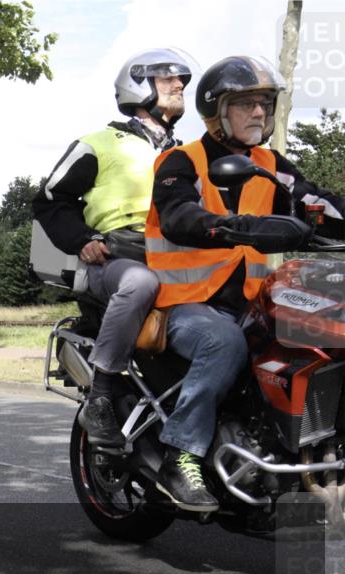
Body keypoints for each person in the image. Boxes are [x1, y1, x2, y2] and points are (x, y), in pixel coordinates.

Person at [146, 55, 345, 511]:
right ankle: (181, 455)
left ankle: (299, 445)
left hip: (252, 302)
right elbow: (179, 216)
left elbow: (315, 201)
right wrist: (237, 226)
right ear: (217, 112)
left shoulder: (270, 164)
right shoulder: (180, 161)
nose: (259, 112)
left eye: (264, 103)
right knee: (224, 343)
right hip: (186, 305)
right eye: (247, 104)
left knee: (325, 329)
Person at [33, 48, 193, 446]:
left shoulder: (189, 155)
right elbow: (50, 199)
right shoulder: (100, 144)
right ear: (139, 86)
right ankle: (103, 392)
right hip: (120, 257)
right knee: (139, 283)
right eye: (168, 78)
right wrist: (82, 240)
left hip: (179, 260)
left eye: (183, 80)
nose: (179, 85)